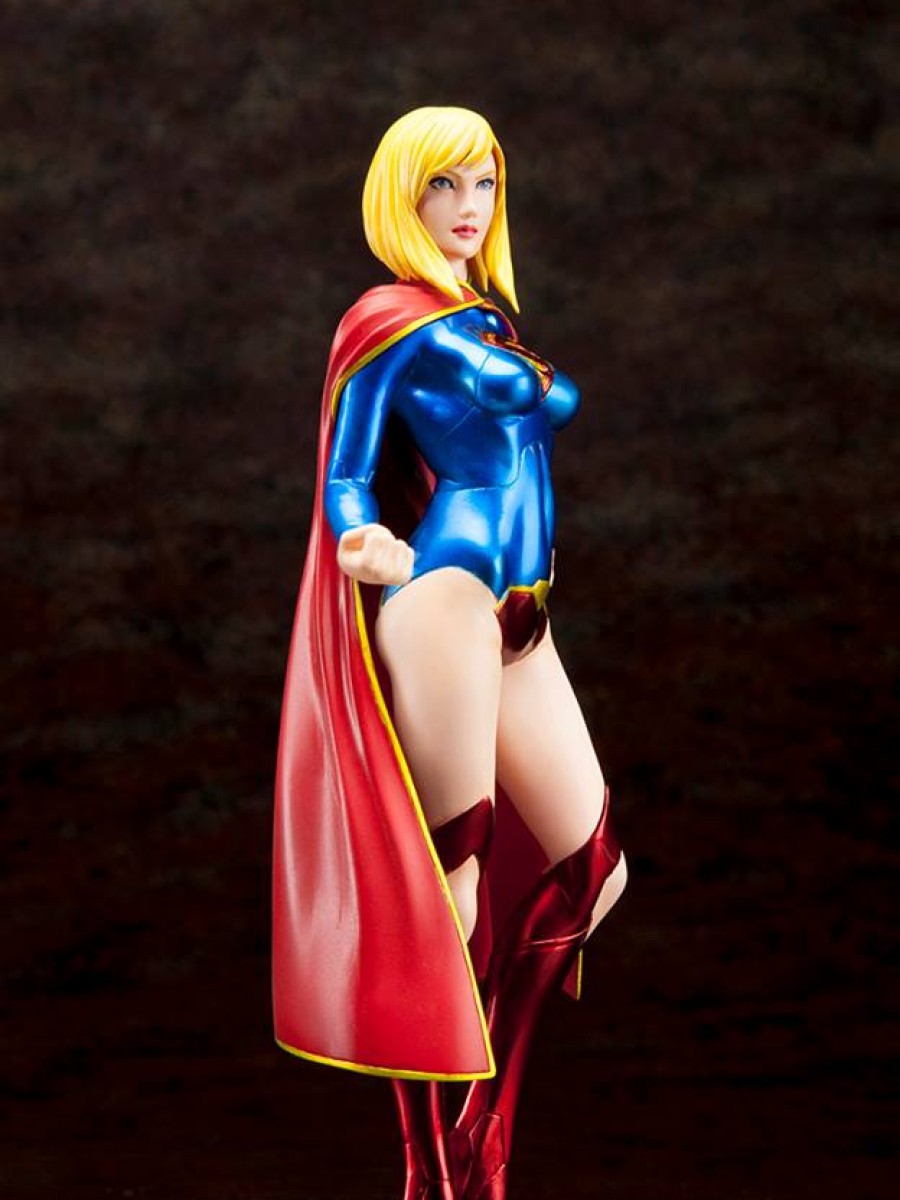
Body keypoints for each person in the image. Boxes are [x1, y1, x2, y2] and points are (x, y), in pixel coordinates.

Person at [272, 106, 628, 1200]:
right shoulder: (384, 320)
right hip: (446, 601)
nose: (469, 207)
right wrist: (361, 538)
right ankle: (433, 1169)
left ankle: (487, 1123)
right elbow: (346, 473)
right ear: (402, 195)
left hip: (525, 612)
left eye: (484, 184)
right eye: (444, 186)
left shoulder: (486, 317)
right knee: (453, 888)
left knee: (593, 871)